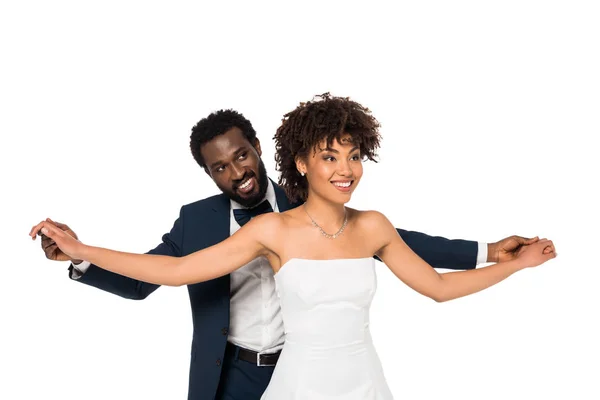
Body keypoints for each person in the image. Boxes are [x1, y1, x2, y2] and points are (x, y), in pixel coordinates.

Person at [33, 101, 553, 400]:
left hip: (357, 377)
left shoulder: (359, 219)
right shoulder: (237, 226)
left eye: (352, 156)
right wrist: (83, 250)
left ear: (260, 150)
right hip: (240, 373)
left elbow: (419, 264)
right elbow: (170, 271)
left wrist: (497, 255)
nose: (237, 172)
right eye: (221, 167)